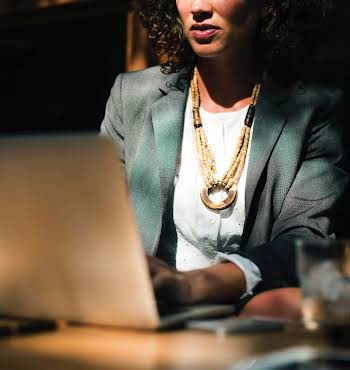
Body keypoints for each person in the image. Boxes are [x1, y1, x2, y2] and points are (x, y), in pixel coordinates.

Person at [101, 0, 347, 307]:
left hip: (254, 323)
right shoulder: (131, 96)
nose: (199, 7)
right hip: (145, 315)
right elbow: (97, 219)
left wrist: (194, 285)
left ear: (268, 6)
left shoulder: (315, 111)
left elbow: (307, 240)